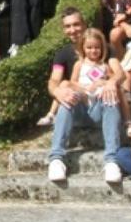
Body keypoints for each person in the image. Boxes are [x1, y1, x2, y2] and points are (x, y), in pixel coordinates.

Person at [47, 27, 123, 183]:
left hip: (100, 108)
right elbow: (65, 81)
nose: (93, 51)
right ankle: (56, 158)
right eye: (89, 47)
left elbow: (120, 74)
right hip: (81, 107)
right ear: (83, 48)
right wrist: (82, 88)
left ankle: (112, 160)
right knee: (68, 96)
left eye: (97, 47)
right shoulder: (75, 61)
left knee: (110, 95)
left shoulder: (107, 61)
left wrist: (108, 83)